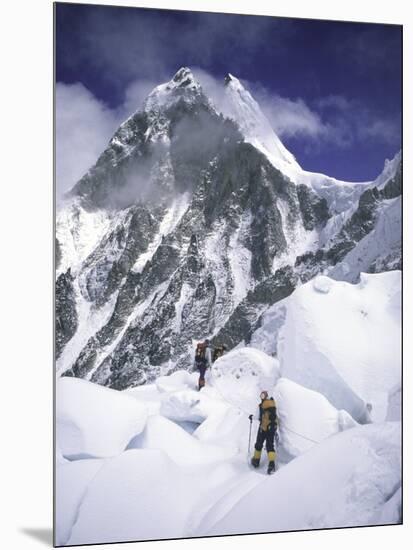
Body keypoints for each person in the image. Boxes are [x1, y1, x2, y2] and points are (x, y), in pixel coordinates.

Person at [249, 390, 279, 474]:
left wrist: (251, 417)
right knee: (270, 445)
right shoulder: (272, 403)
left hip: (263, 428)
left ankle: (256, 460)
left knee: (259, 443)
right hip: (272, 427)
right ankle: (272, 464)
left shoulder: (261, 405)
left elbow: (257, 416)